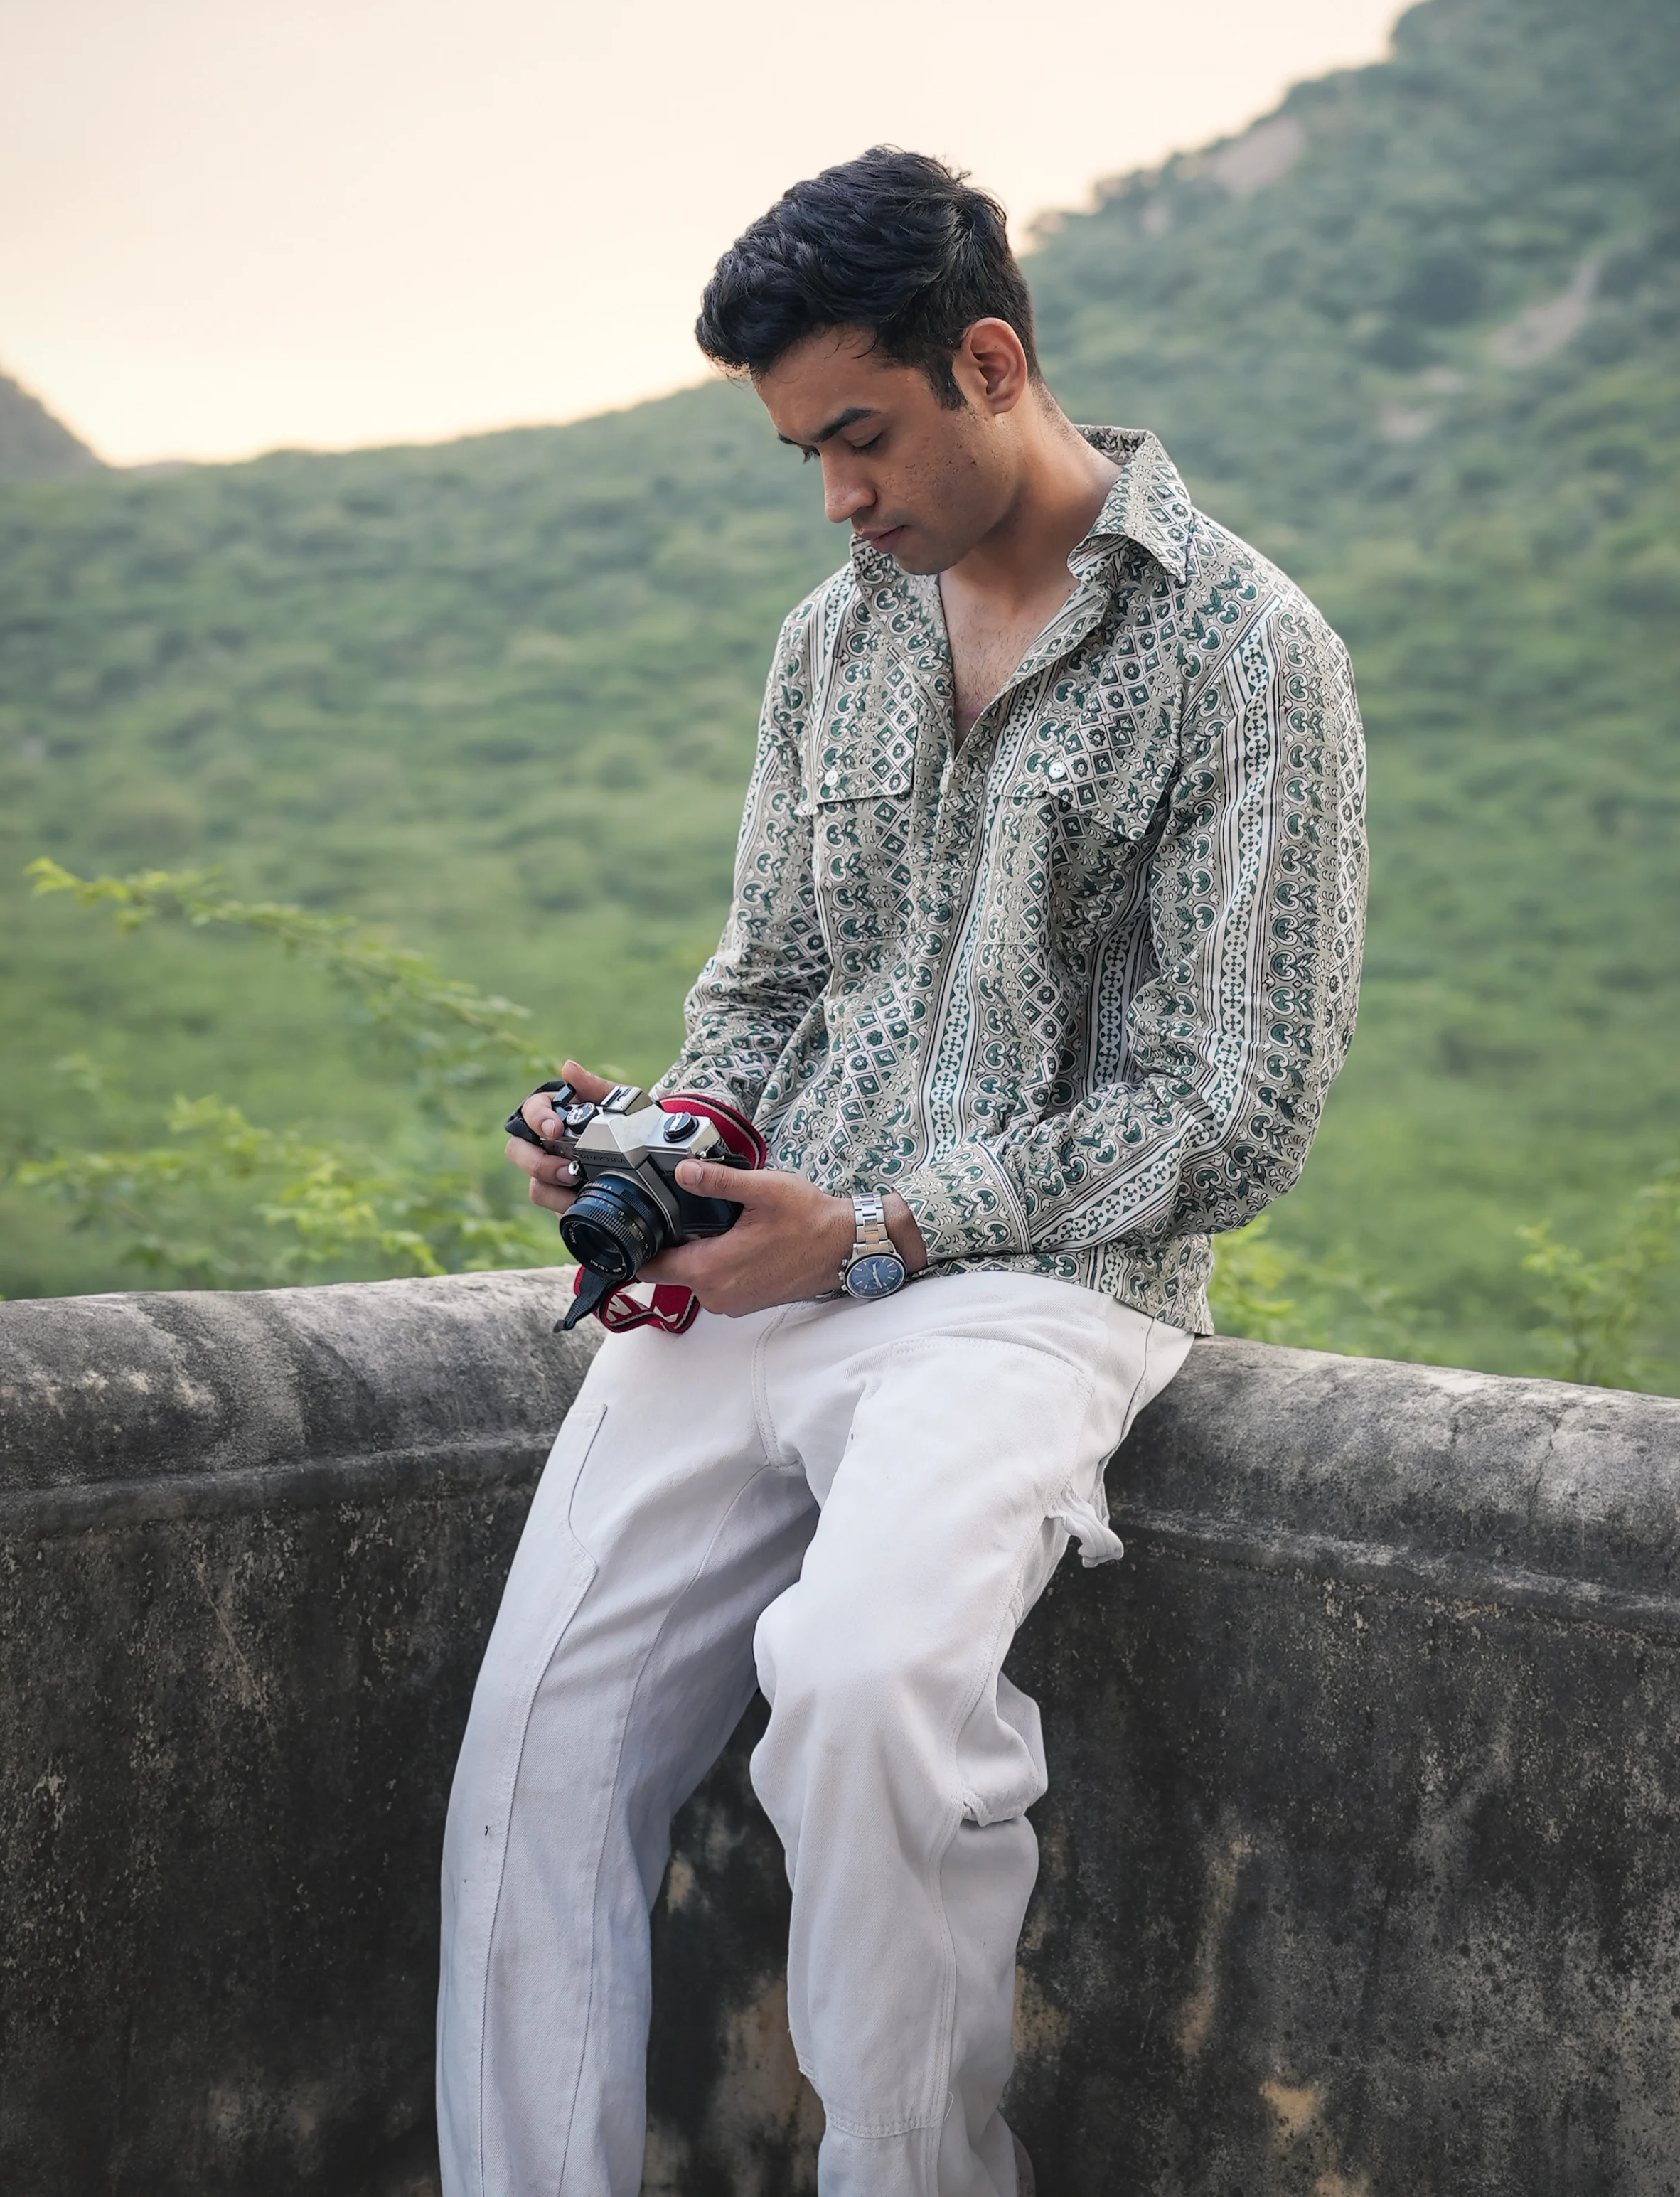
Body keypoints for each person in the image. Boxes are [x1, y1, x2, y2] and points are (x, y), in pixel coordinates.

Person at [437, 148, 1366, 2197]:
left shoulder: (1244, 653)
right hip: (764, 1258)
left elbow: (1246, 1098)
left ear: (993, 358)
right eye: (803, 453)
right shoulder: (827, 643)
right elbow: (766, 988)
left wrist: (885, 1228)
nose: (839, 493)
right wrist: (649, 1149)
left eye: (861, 433)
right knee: (533, 1747)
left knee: (862, 1690)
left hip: (1034, 1287)